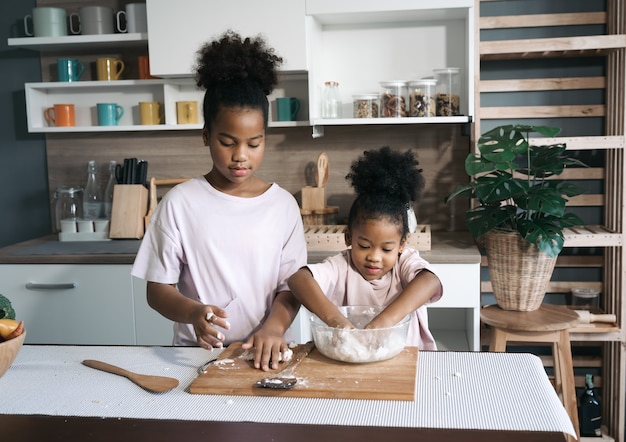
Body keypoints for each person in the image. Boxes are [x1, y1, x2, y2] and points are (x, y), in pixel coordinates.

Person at [131, 31, 307, 371]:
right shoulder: (180, 203)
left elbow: (291, 287)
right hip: (194, 357)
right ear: (206, 135)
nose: (241, 156)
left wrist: (273, 328)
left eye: (254, 144)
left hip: (266, 354)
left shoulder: (283, 206)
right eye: (227, 142)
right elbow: (158, 289)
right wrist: (194, 312)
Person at [288, 146, 443, 350]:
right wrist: (335, 320)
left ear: (401, 245)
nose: (374, 257)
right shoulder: (341, 266)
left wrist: (383, 322)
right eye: (364, 246)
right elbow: (298, 279)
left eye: (386, 249)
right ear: (348, 237)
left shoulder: (404, 262)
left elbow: (430, 281)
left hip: (406, 357)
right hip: (352, 357)